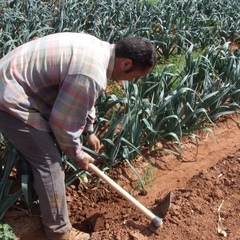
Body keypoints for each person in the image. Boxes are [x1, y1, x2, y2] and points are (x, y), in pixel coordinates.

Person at [0, 32, 156, 240]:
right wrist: (77, 154)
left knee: (39, 148)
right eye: (134, 77)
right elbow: (62, 124)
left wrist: (89, 130)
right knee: (49, 162)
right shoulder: (91, 73)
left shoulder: (99, 51)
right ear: (126, 64)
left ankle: (29, 190)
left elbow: (81, 97)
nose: (130, 81)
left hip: (15, 81)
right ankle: (59, 231)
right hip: (10, 96)